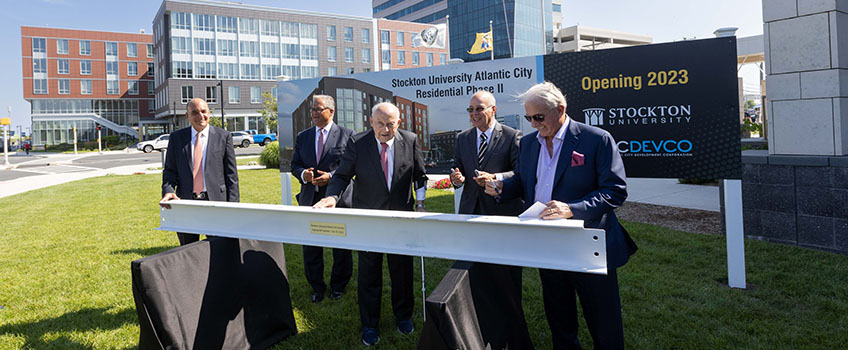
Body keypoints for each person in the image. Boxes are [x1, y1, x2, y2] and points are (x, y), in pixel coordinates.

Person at [486, 82, 637, 350]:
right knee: (559, 318)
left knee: (603, 321)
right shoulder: (529, 143)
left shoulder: (596, 139)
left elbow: (615, 191)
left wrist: (572, 208)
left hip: (588, 244)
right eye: (529, 118)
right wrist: (501, 187)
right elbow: (523, 180)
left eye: (539, 117)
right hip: (549, 243)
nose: (533, 124)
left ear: (560, 110)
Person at [314, 102, 427, 347]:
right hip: (368, 218)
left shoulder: (410, 140)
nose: (385, 130)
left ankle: (404, 316)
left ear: (399, 123)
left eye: (390, 124)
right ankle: (369, 324)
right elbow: (342, 175)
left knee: (402, 271)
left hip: (401, 219)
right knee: (369, 273)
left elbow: (419, 175)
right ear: (371, 122)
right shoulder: (358, 142)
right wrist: (332, 197)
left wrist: (421, 202)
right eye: (380, 124)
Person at [449, 90, 529, 346]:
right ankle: (484, 332)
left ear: (493, 110)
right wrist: (457, 178)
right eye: (470, 110)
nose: (473, 115)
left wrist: (496, 178)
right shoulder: (462, 138)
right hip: (472, 215)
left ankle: (513, 335)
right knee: (478, 278)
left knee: (506, 279)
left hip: (502, 214)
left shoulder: (512, 136)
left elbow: (520, 173)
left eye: (479, 109)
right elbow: (458, 168)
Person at [290, 95, 354, 303]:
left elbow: (351, 167)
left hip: (339, 200)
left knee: (341, 247)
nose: (314, 113)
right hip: (310, 200)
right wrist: (304, 175)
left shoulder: (347, 135)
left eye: (319, 109)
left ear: (331, 111)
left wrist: (332, 177)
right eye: (312, 110)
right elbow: (295, 165)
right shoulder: (303, 136)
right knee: (311, 246)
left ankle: (338, 286)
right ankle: (317, 287)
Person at [160, 98, 239, 245]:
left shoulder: (224, 137)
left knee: (218, 249)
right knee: (188, 250)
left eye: (204, 111)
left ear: (209, 113)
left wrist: (233, 206)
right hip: (186, 203)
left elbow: (231, 176)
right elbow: (170, 171)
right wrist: (168, 190)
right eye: (195, 112)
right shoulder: (177, 138)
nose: (200, 116)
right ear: (187, 116)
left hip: (216, 203)